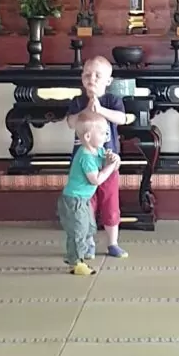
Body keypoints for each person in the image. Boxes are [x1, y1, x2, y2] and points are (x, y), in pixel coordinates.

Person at [64, 51, 133, 258]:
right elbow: (70, 122)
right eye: (87, 75)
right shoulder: (78, 101)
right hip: (83, 162)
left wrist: (100, 109)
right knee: (86, 206)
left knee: (110, 202)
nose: (91, 79)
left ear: (108, 81)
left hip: (106, 160)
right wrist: (88, 107)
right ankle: (87, 243)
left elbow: (121, 118)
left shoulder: (112, 100)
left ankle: (112, 243)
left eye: (97, 75)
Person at [57, 113, 118, 276]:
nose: (106, 135)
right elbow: (96, 180)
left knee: (89, 227)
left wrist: (113, 160)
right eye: (103, 132)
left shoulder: (98, 150)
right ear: (88, 136)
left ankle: (78, 254)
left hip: (84, 200)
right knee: (78, 230)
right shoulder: (85, 156)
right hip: (74, 200)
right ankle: (75, 262)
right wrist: (110, 167)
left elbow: (109, 161)